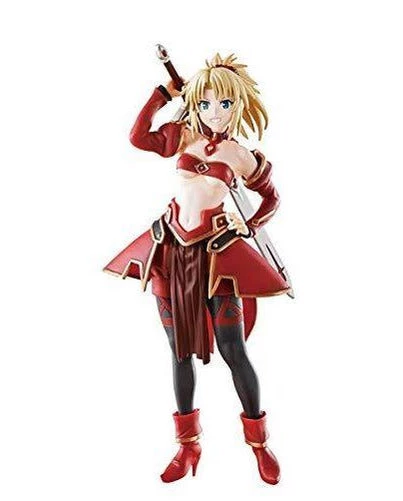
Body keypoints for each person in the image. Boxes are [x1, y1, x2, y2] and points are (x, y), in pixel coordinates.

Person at [103, 53, 289, 485]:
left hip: (217, 257)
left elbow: (272, 198)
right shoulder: (183, 135)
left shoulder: (240, 155)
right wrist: (162, 94)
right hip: (170, 251)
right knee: (178, 351)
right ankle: (188, 446)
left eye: (223, 103)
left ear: (237, 104)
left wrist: (247, 225)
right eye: (204, 103)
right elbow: (137, 137)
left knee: (233, 350)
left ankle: (259, 444)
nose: (214, 112)